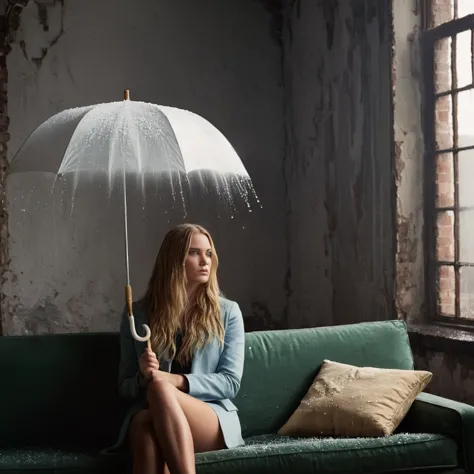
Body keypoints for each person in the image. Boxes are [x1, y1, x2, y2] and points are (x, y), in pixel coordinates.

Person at [116, 223, 245, 474]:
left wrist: (173, 380)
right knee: (144, 423)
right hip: (154, 415)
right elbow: (124, 387)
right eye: (194, 252)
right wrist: (143, 376)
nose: (204, 261)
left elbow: (230, 383)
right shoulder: (139, 313)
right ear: (173, 260)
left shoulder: (228, 313)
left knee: (160, 389)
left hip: (209, 417)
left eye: (208, 253)